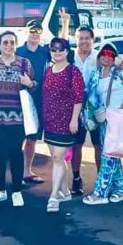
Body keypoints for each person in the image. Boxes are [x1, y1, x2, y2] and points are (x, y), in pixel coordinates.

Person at [17, 12, 70, 185]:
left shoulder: (44, 51)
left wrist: (65, 24)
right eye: (32, 30)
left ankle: (26, 170)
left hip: (39, 99)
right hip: (19, 98)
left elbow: (62, 46)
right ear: (27, 32)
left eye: (38, 31)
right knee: (17, 136)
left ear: (41, 33)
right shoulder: (18, 51)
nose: (34, 34)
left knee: (32, 137)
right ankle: (14, 171)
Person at [82, 43, 123, 205]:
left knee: (109, 156)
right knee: (113, 154)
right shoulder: (95, 74)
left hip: (119, 119)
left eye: (110, 55)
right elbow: (89, 94)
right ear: (99, 57)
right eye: (103, 54)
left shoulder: (121, 74)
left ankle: (100, 193)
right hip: (103, 121)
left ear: (114, 57)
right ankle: (121, 190)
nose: (106, 58)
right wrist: (94, 113)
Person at [0, 31, 35, 207]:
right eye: (5, 42)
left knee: (15, 154)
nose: (8, 45)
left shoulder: (24, 64)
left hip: (18, 119)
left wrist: (30, 84)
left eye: (12, 42)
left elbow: (34, 88)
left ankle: (16, 192)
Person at [42, 37, 85, 213]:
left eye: (61, 49)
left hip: (65, 121)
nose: (57, 52)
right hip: (49, 121)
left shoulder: (73, 72)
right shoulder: (48, 70)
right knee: (56, 158)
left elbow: (78, 97)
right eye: (53, 49)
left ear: (67, 51)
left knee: (59, 159)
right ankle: (65, 191)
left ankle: (54, 196)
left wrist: (74, 119)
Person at [69, 25, 100, 195]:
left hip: (95, 107)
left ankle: (101, 179)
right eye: (80, 38)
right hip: (76, 107)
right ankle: (76, 178)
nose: (83, 41)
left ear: (92, 40)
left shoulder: (98, 57)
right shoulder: (70, 56)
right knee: (76, 145)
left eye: (87, 38)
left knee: (98, 144)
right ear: (76, 39)